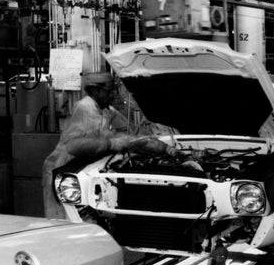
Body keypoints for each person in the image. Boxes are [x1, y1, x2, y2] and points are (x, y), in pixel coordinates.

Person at [41, 71, 191, 219]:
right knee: (62, 217)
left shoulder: (107, 110)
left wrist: (158, 133)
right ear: (95, 90)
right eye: (109, 91)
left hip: (82, 165)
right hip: (61, 166)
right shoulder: (85, 107)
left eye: (114, 91)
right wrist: (111, 142)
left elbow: (133, 130)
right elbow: (74, 145)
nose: (113, 96)